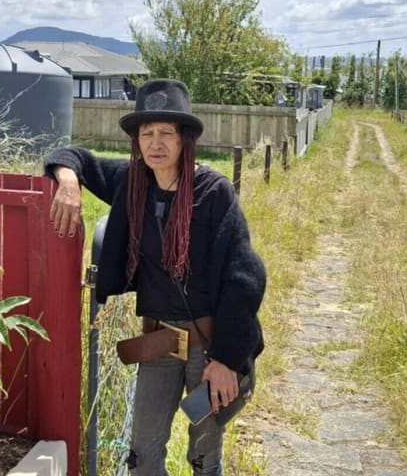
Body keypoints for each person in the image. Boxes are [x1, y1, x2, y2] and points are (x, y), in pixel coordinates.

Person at [45, 79, 266, 476]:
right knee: (142, 456)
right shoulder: (133, 182)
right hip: (160, 342)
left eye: (166, 132)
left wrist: (227, 361)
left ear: (184, 140)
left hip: (209, 347)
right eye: (146, 133)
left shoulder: (212, 192)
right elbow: (72, 155)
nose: (155, 143)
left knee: (203, 458)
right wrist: (67, 182)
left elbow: (243, 278)